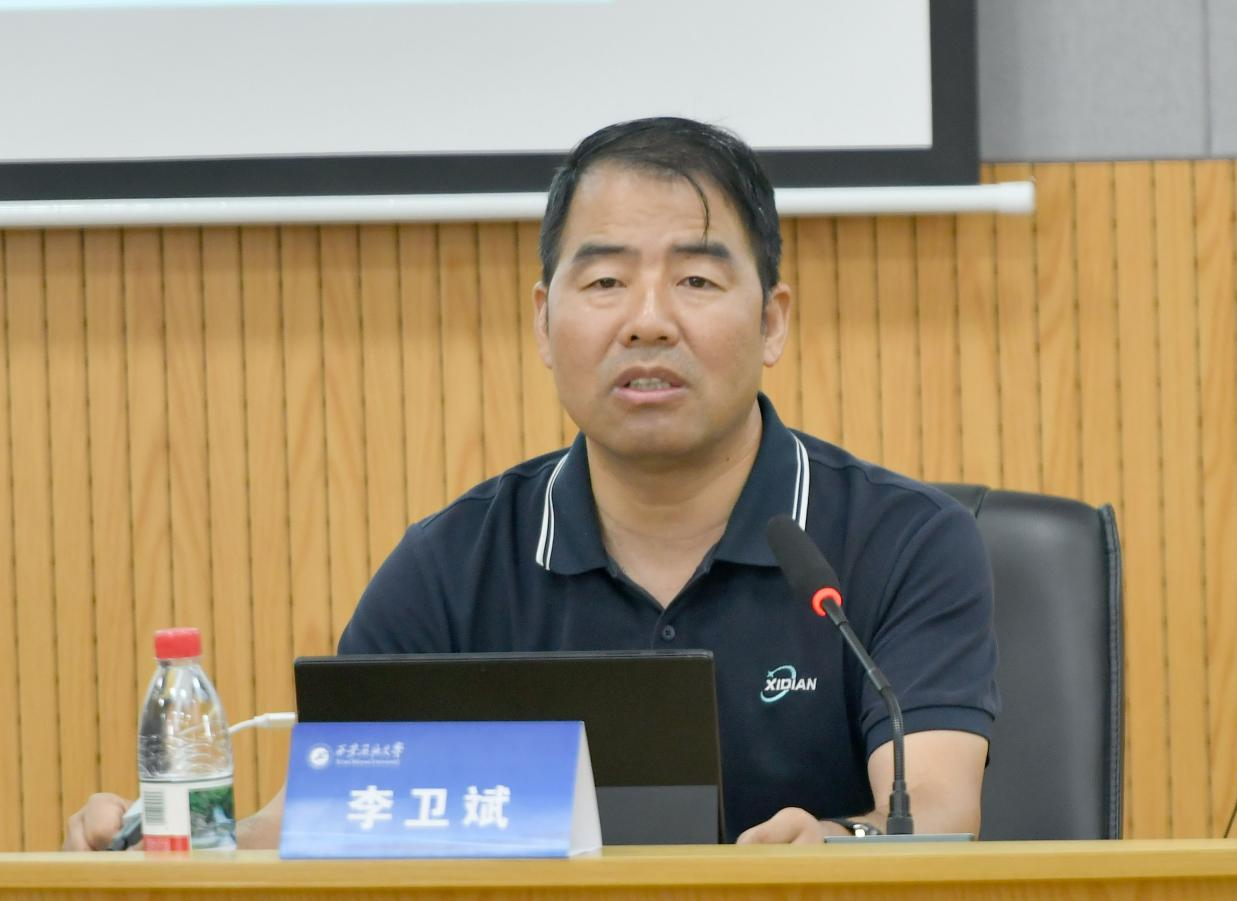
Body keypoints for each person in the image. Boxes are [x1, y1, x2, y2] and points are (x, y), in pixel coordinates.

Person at [65, 117, 998, 852]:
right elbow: (324, 815)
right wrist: (163, 841)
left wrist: (835, 843)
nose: (648, 321)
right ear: (546, 324)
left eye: (697, 281)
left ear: (772, 322)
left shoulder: (901, 540)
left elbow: (936, 810)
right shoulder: (453, 565)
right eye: (605, 282)